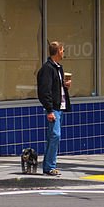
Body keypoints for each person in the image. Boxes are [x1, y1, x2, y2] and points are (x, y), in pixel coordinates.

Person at [36, 41, 72, 176]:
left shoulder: (58, 68)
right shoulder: (47, 69)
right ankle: (50, 166)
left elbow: (55, 87)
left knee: (54, 136)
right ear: (57, 51)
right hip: (54, 108)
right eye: (62, 50)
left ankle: (49, 165)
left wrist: (65, 85)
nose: (63, 53)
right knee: (55, 135)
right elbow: (44, 91)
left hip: (60, 106)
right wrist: (49, 110)